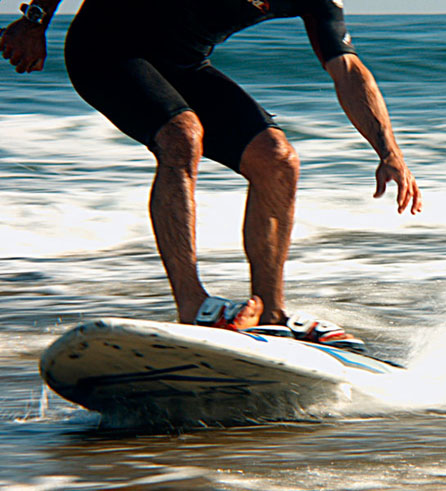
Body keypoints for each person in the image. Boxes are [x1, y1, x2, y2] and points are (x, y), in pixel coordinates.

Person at [1, 0, 422, 351]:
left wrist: (389, 151)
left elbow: (348, 69)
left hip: (183, 64)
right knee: (182, 137)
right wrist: (36, 19)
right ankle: (192, 304)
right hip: (106, 50)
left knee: (277, 159)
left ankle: (271, 314)